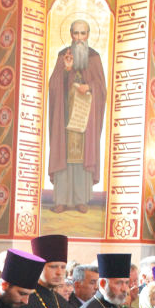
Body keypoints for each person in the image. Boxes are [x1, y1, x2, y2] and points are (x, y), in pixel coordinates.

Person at [48, 19, 107, 213]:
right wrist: (66, 70)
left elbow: (102, 88)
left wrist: (89, 86)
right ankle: (61, 199)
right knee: (64, 155)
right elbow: (53, 86)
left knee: (82, 157)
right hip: (65, 117)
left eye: (83, 33)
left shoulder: (94, 58)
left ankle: (81, 199)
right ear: (71, 34)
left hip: (85, 119)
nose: (79, 38)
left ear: (88, 35)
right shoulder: (63, 55)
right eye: (76, 33)